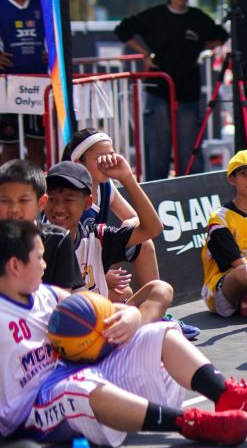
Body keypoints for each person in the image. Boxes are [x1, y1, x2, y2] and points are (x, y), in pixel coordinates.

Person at [0, 220, 247, 447]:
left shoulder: (46, 294)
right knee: (79, 388)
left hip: (68, 371)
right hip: (30, 412)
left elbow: (99, 309)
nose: (45, 265)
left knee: (160, 332)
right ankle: (191, 423)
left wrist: (131, 315)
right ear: (15, 265)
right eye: (39, 258)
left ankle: (226, 395)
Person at [114, 0, 229, 179]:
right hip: (158, 87)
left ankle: (192, 191)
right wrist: (144, 53)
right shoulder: (154, 16)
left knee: (189, 149)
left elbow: (221, 35)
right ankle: (155, 193)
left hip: (188, 89)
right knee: (158, 148)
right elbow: (122, 29)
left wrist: (201, 48)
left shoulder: (198, 18)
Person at [43, 160, 165, 312]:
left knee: (161, 290)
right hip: (62, 322)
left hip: (100, 320)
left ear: (88, 202)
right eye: (52, 199)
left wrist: (127, 178)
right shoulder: (37, 243)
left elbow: (153, 229)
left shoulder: (96, 237)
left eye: (68, 199)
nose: (59, 208)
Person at [61, 128, 160, 289]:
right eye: (99, 157)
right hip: (74, 271)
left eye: (111, 154)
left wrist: (127, 177)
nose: (107, 161)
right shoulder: (68, 197)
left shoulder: (105, 186)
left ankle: (149, 300)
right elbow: (64, 252)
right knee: (125, 293)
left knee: (144, 244)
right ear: (79, 163)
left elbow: (141, 222)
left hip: (96, 256)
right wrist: (100, 274)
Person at [200, 149, 247, 319]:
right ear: (232, 179)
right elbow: (241, 267)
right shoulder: (219, 219)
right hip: (223, 290)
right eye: (244, 173)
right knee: (244, 272)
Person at [0, 160, 81, 290]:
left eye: (23, 200)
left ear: (41, 203)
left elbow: (63, 295)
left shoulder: (58, 239)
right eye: (5, 200)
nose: (14, 209)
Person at [0, 0, 47, 167]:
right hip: (7, 86)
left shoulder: (42, 3)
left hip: (39, 84)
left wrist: (53, 53)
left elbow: (57, 36)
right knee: (10, 147)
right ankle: (5, 187)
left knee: (37, 145)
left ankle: (37, 187)